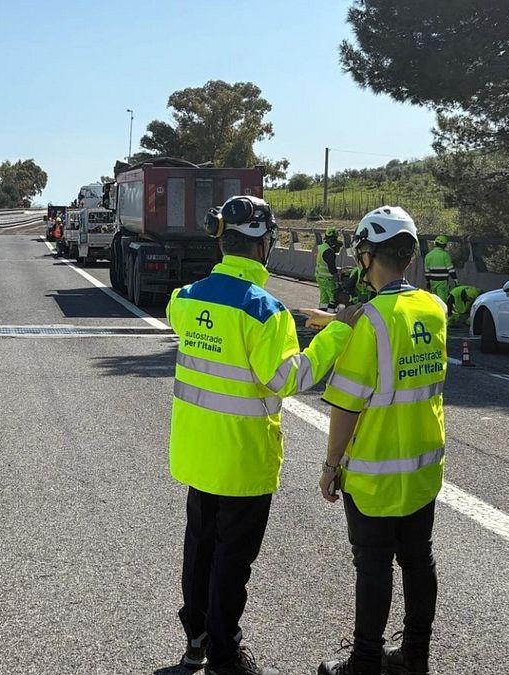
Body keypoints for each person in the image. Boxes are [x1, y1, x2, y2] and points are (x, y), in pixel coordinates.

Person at [169, 195, 362, 675]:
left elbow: (191, 325)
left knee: (199, 550)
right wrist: (336, 335)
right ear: (263, 246)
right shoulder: (265, 311)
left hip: (196, 452)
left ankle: (195, 641)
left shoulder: (186, 298)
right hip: (243, 459)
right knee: (232, 561)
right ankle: (224, 656)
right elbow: (287, 379)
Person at [316, 206, 447, 675]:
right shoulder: (434, 309)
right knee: (418, 560)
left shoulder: (370, 320)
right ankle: (415, 656)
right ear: (410, 256)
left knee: (373, 566)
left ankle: (366, 661)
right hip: (423, 467)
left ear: (367, 257)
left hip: (374, 473)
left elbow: (347, 405)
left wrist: (331, 466)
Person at [422, 235, 456, 305]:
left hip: (432, 282)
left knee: (435, 301)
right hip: (442, 282)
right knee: (442, 302)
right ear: (444, 245)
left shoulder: (428, 255)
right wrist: (456, 280)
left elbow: (427, 271)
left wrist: (428, 281)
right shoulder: (445, 255)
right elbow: (451, 269)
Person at [316, 228, 342, 310]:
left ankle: (322, 313)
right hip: (328, 280)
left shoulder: (322, 247)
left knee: (324, 299)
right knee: (334, 299)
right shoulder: (330, 252)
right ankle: (331, 314)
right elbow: (332, 269)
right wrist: (338, 281)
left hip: (320, 277)